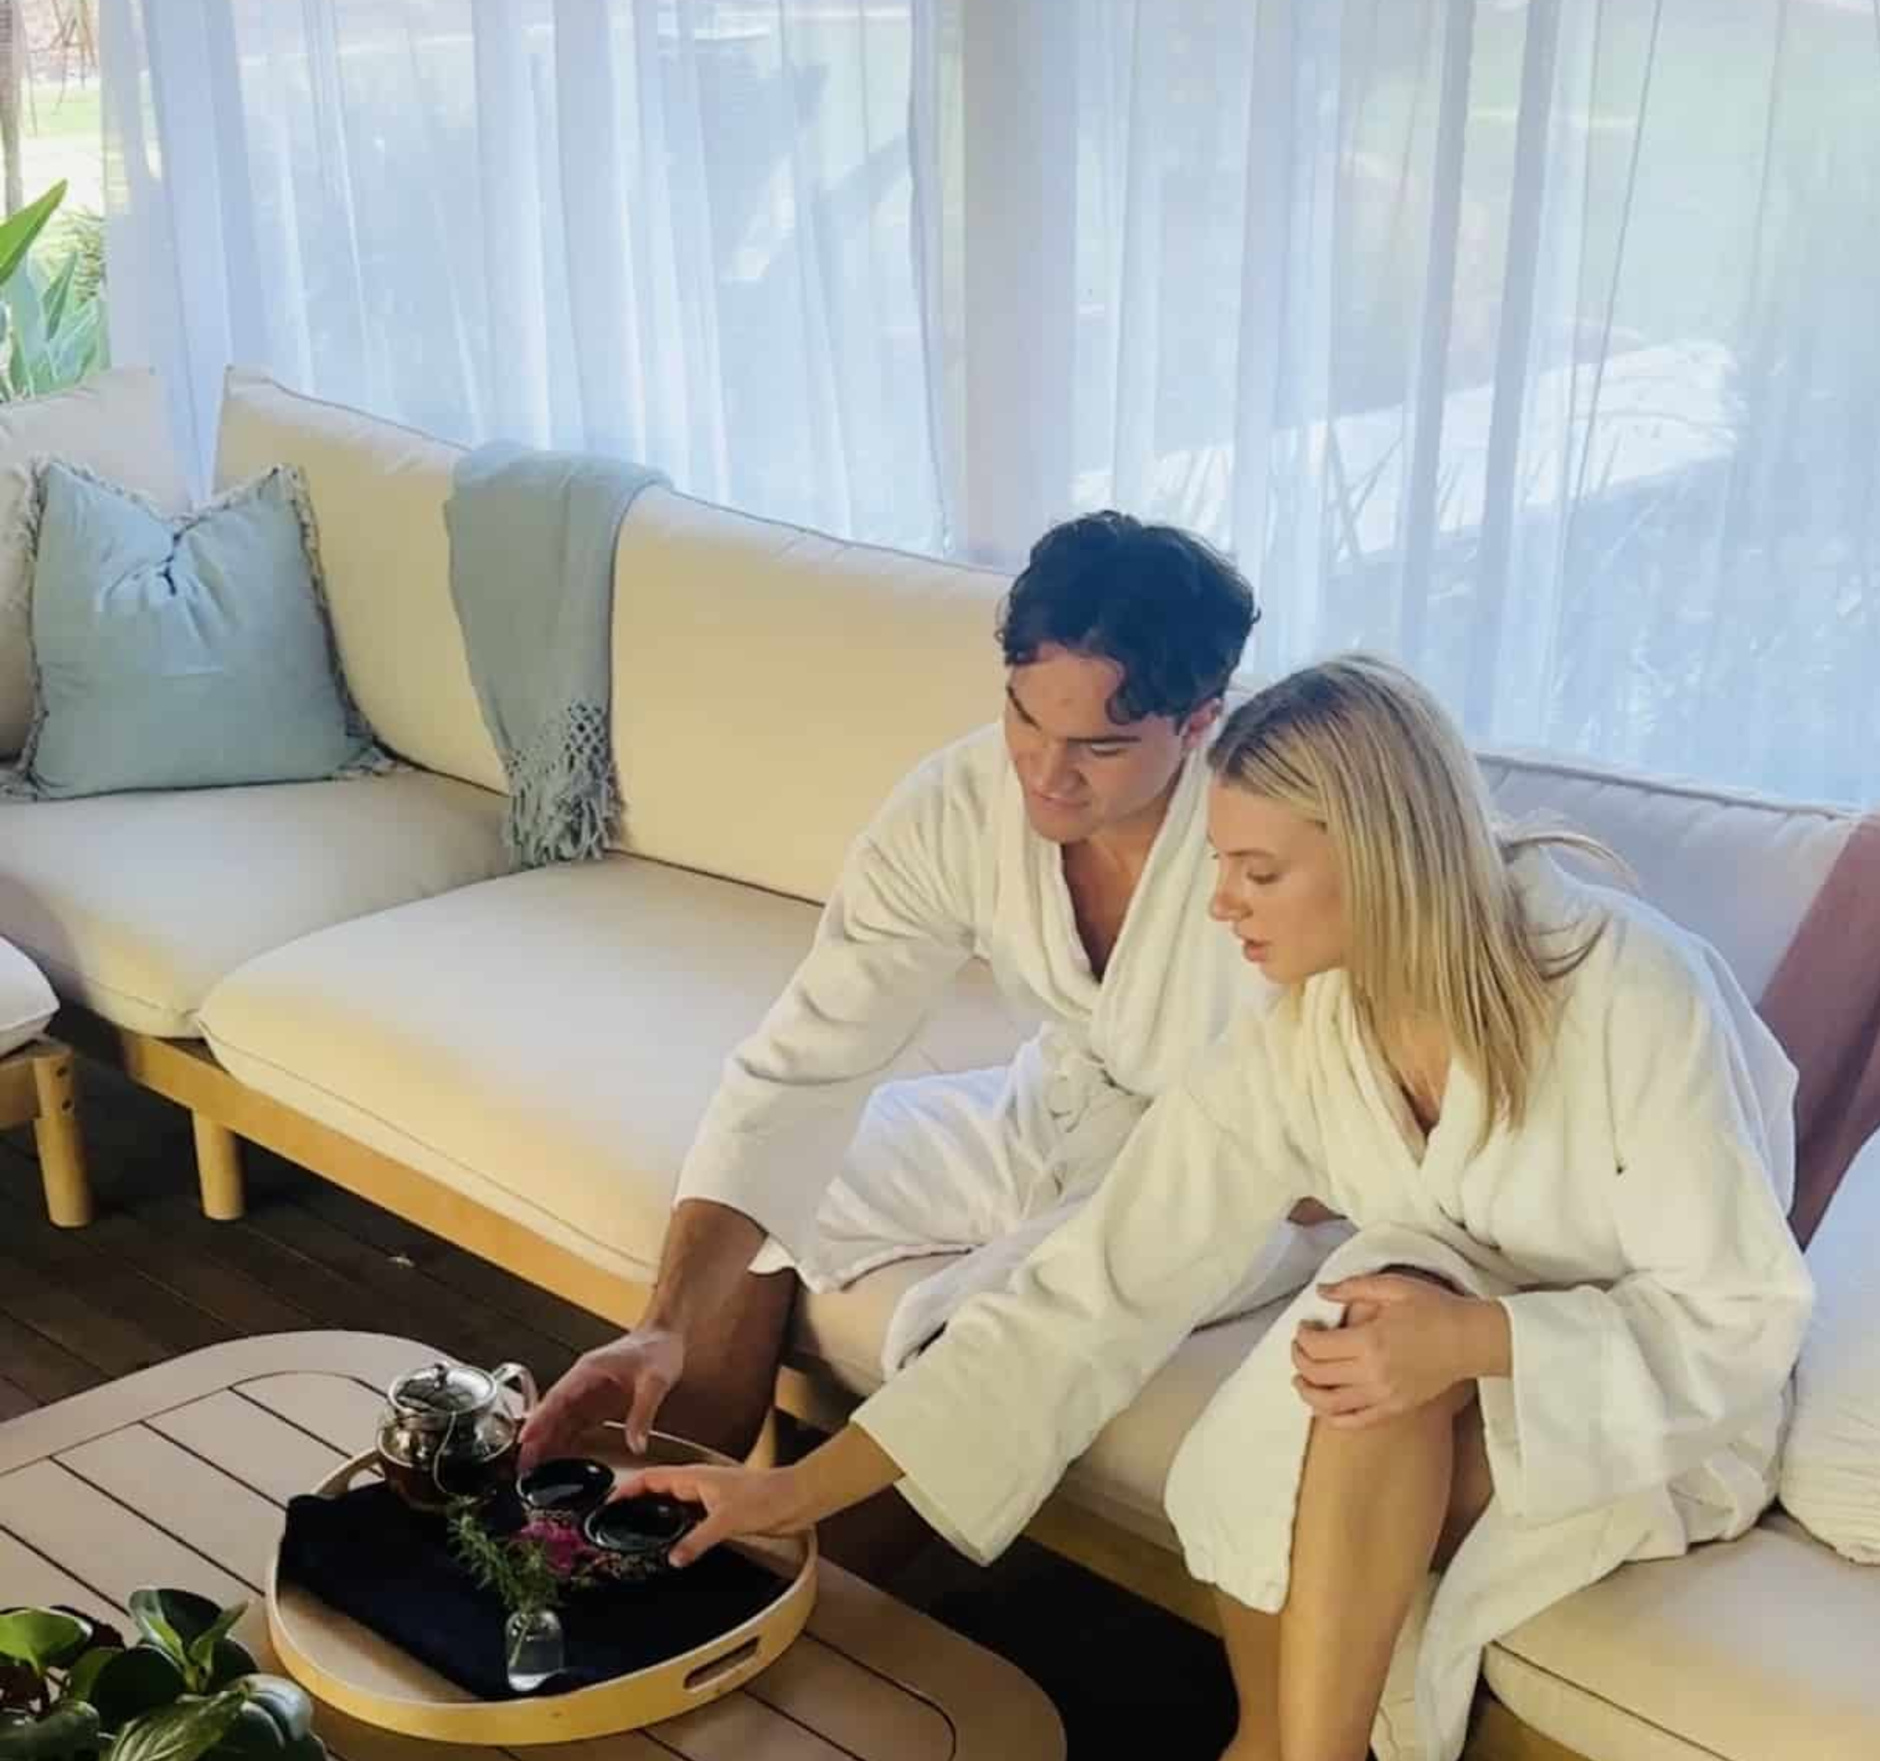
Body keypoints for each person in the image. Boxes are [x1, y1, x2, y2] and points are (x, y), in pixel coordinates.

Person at [627, 657, 1813, 1761]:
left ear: (1377, 856)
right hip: (1430, 1344)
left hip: (1648, 1387)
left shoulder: (1627, 990)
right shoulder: (1308, 1030)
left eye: (1253, 869)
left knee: (1380, 1336)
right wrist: (799, 1488)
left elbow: (1744, 1318)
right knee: (1362, 1320)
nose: (1220, 902)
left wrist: (1479, 1345)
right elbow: (1095, 1287)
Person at [522, 513, 1324, 1511]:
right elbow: (805, 1066)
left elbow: (1336, 1123)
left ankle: (799, 1593)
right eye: (1025, 718)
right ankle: (664, 1530)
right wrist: (665, 1321)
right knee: (766, 1198)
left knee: (977, 1334)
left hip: (1236, 1192)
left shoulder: (1286, 829)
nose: (1043, 772)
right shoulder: (959, 802)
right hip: (1057, 1109)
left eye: (1098, 746)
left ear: (1200, 720)